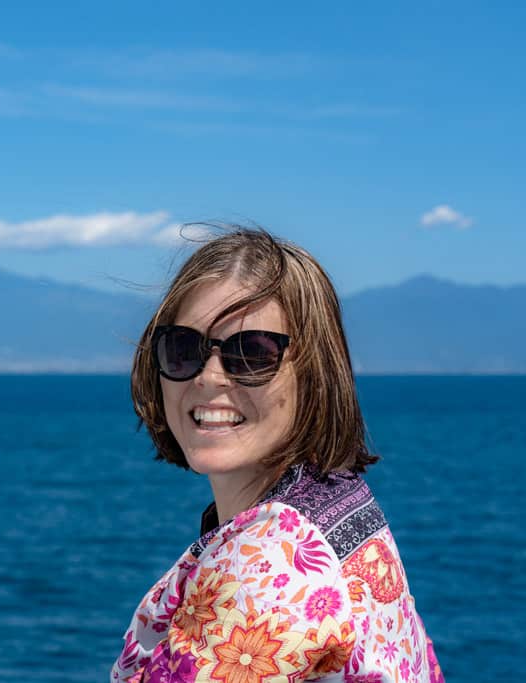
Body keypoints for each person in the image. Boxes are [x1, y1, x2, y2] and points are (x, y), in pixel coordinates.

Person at [111, 226, 445, 683]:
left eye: (252, 354)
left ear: (313, 374)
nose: (210, 378)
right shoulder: (335, 504)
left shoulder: (269, 570)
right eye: (183, 348)